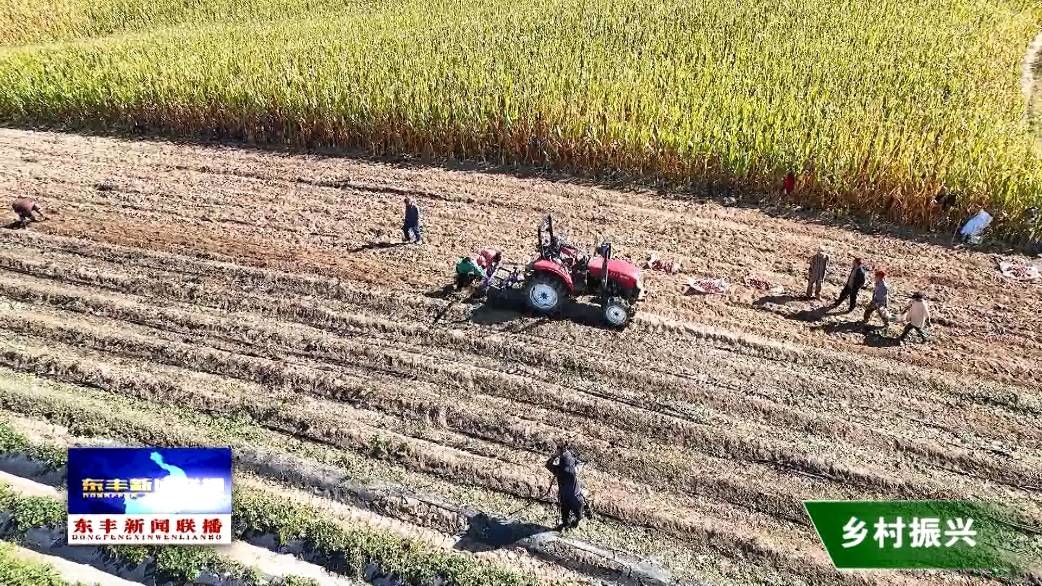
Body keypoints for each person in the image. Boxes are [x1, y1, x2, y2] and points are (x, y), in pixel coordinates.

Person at [545, 444, 586, 529]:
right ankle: (575, 524)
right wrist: (572, 458)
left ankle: (565, 525)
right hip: (576, 498)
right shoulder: (574, 470)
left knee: (565, 516)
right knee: (579, 516)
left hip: (565, 498)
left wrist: (555, 455)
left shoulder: (558, 470)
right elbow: (581, 463)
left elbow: (548, 464)